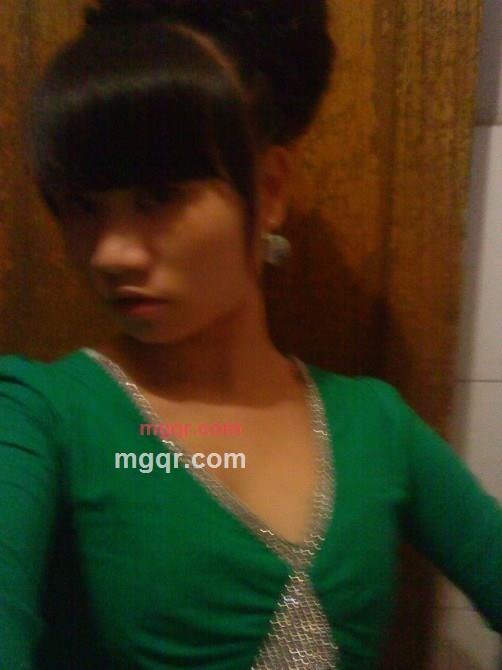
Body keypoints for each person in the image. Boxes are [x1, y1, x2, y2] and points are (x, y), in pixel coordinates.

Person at [0, 1, 501, 668]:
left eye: (158, 196)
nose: (110, 254)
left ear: (268, 189)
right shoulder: (40, 416)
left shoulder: (376, 425)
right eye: (82, 207)